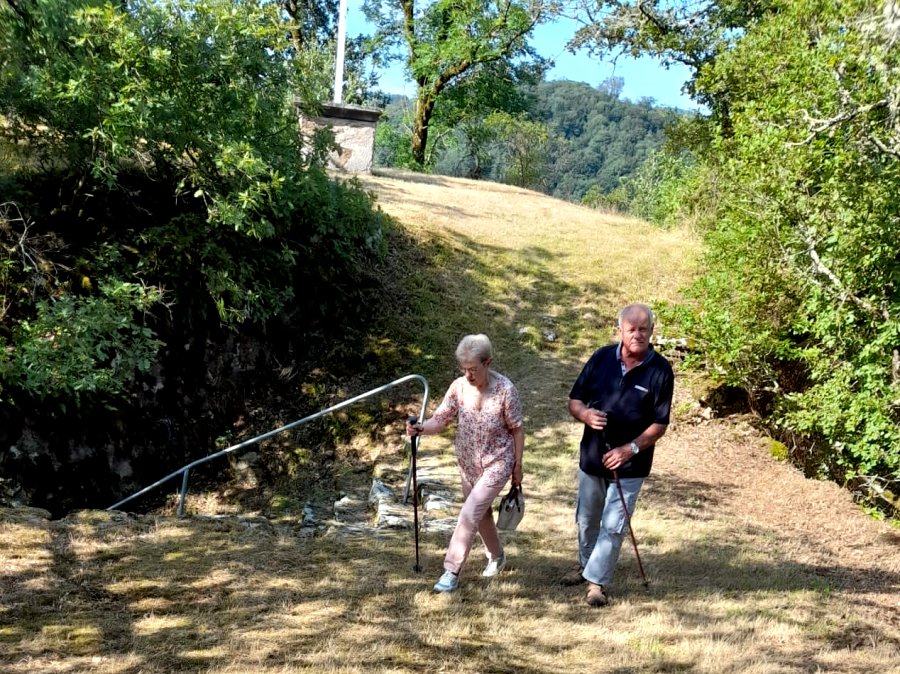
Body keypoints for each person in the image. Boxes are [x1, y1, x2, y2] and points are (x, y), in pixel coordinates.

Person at [566, 303, 674, 607]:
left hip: (631, 465)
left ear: (651, 331)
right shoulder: (601, 358)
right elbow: (574, 400)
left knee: (613, 525)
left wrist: (629, 449)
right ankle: (586, 565)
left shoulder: (660, 370)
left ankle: (596, 583)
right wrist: (585, 414)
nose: (638, 334)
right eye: (632, 329)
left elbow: (660, 424)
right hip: (593, 456)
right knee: (586, 519)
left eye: (643, 329)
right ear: (620, 331)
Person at [407, 334, 525, 593]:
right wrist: (421, 428)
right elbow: (440, 419)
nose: (468, 375)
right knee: (482, 514)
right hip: (468, 463)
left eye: (473, 369)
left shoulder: (505, 390)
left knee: (469, 512)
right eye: (464, 369)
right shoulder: (459, 387)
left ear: (487, 362)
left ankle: (451, 571)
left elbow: (517, 429)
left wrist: (517, 466)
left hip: (498, 462)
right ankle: (497, 556)